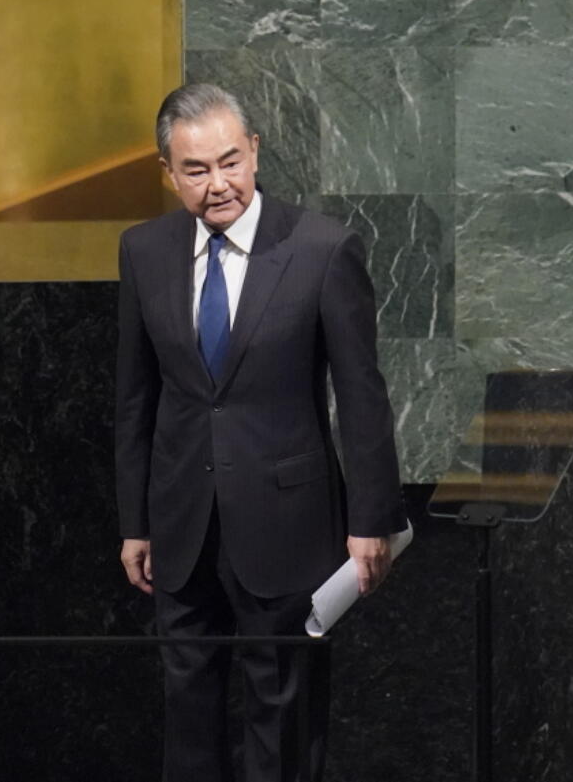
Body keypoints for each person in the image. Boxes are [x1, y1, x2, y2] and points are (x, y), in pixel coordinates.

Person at [115, 83, 405, 782]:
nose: (218, 186)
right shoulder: (144, 250)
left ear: (254, 152)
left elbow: (362, 395)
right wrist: (135, 521)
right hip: (182, 522)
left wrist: (374, 521)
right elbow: (134, 397)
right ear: (167, 172)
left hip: (287, 520)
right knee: (189, 704)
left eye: (230, 162)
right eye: (195, 170)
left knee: (281, 707)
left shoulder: (322, 248)